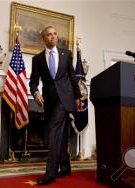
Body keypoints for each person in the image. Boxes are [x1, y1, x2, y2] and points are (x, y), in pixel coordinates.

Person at [29, 26, 82, 185]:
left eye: (54, 34)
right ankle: (65, 167)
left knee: (53, 133)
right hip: (49, 101)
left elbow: (72, 77)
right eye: (49, 35)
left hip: (65, 99)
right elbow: (33, 80)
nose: (53, 37)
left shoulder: (66, 54)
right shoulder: (37, 59)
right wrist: (35, 92)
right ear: (43, 38)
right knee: (59, 135)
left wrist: (78, 96)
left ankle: (50, 174)